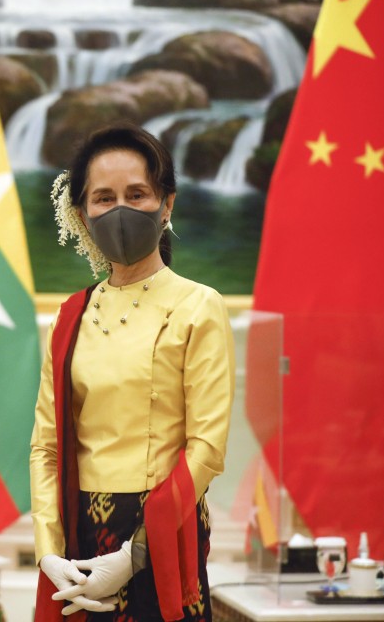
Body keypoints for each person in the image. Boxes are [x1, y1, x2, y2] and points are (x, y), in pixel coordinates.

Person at [30, 124, 234, 621]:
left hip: (166, 528)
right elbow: (47, 446)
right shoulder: (70, 315)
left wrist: (135, 554)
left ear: (166, 204)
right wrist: (49, 552)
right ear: (82, 214)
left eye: (136, 194)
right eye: (104, 198)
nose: (119, 210)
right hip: (81, 531)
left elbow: (206, 447)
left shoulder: (197, 305)